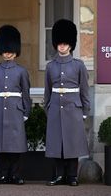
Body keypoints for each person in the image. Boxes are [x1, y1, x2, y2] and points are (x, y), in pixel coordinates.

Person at [44, 19, 90, 186]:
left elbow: (84, 90)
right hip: (55, 108)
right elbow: (47, 91)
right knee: (57, 143)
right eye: (60, 43)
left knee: (72, 143)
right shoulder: (51, 66)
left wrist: (85, 111)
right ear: (56, 44)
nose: (62, 46)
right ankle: (59, 175)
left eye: (65, 43)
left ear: (71, 45)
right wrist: (48, 109)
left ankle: (72, 176)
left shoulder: (79, 65)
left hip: (74, 109)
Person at [0, 25, 31, 185]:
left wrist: (26, 112)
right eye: (4, 49)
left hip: (15, 110)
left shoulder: (21, 71)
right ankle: (2, 175)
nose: (6, 52)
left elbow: (26, 93)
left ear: (15, 50)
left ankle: (15, 175)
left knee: (15, 145)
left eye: (9, 49)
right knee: (1, 145)